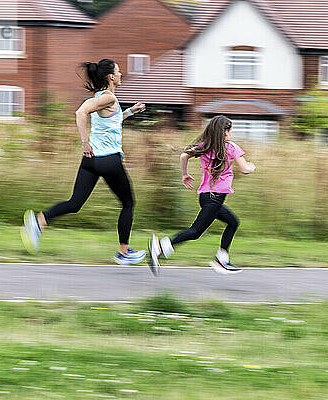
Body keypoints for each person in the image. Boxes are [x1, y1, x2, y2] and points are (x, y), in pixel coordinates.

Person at [21, 58, 147, 265]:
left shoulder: (103, 98)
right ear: (111, 76)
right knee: (128, 203)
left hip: (91, 161)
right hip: (108, 160)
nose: (121, 74)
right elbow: (80, 112)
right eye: (119, 71)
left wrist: (131, 112)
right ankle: (123, 252)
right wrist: (84, 141)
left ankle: (38, 221)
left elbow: (111, 123)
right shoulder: (107, 97)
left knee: (75, 203)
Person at [148, 115, 256, 276]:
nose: (231, 133)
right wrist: (251, 167)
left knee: (233, 222)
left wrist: (185, 174)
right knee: (195, 232)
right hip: (215, 199)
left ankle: (222, 258)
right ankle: (161, 246)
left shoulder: (205, 146)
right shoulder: (232, 147)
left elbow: (184, 155)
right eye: (230, 130)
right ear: (225, 132)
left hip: (206, 197)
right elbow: (245, 169)